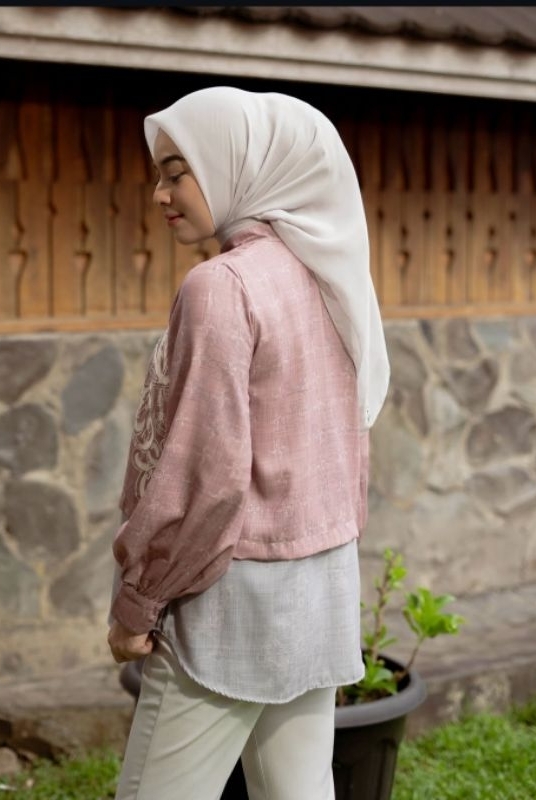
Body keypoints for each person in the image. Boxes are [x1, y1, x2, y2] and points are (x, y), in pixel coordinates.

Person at [107, 86, 390, 800]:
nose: (160, 193)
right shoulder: (329, 275)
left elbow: (203, 477)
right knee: (298, 791)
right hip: (321, 582)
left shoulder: (221, 287)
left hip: (231, 599)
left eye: (177, 172)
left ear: (237, 165)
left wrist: (138, 601)